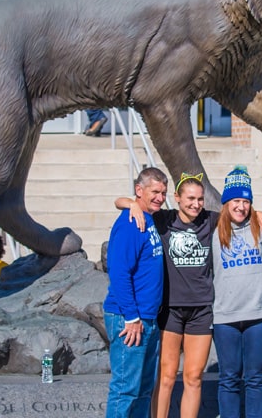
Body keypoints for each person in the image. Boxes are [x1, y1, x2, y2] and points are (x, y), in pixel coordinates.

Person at [116, 172, 216, 418]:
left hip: (201, 310)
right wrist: (130, 204)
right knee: (167, 376)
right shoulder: (162, 219)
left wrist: (256, 214)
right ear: (177, 198)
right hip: (170, 309)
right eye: (190, 198)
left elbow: (239, 213)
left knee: (194, 377)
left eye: (200, 199)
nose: (196, 204)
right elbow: (120, 201)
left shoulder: (210, 220)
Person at [103, 167, 167, 418]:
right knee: (125, 389)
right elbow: (119, 272)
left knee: (142, 389)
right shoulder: (131, 223)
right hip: (129, 318)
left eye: (163, 192)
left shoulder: (149, 218)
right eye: (155, 192)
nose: (160, 197)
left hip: (147, 318)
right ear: (139, 190)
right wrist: (131, 317)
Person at [212, 165, 262, 418]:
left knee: (256, 378)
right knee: (228, 378)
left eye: (246, 201)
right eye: (236, 200)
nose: (241, 206)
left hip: (259, 315)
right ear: (226, 202)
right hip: (225, 317)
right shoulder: (212, 232)